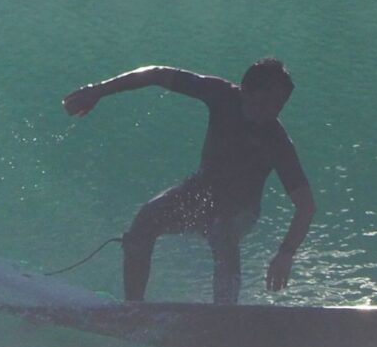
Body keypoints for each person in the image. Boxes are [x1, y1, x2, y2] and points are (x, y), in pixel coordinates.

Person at [62, 57, 315, 306]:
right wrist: (98, 91)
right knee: (145, 220)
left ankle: (225, 317)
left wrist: (286, 253)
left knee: (223, 231)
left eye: (279, 104)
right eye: (267, 100)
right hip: (199, 194)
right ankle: (134, 309)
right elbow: (157, 74)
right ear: (246, 90)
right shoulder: (221, 95)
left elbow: (306, 206)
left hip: (241, 210)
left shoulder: (277, 141)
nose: (273, 109)